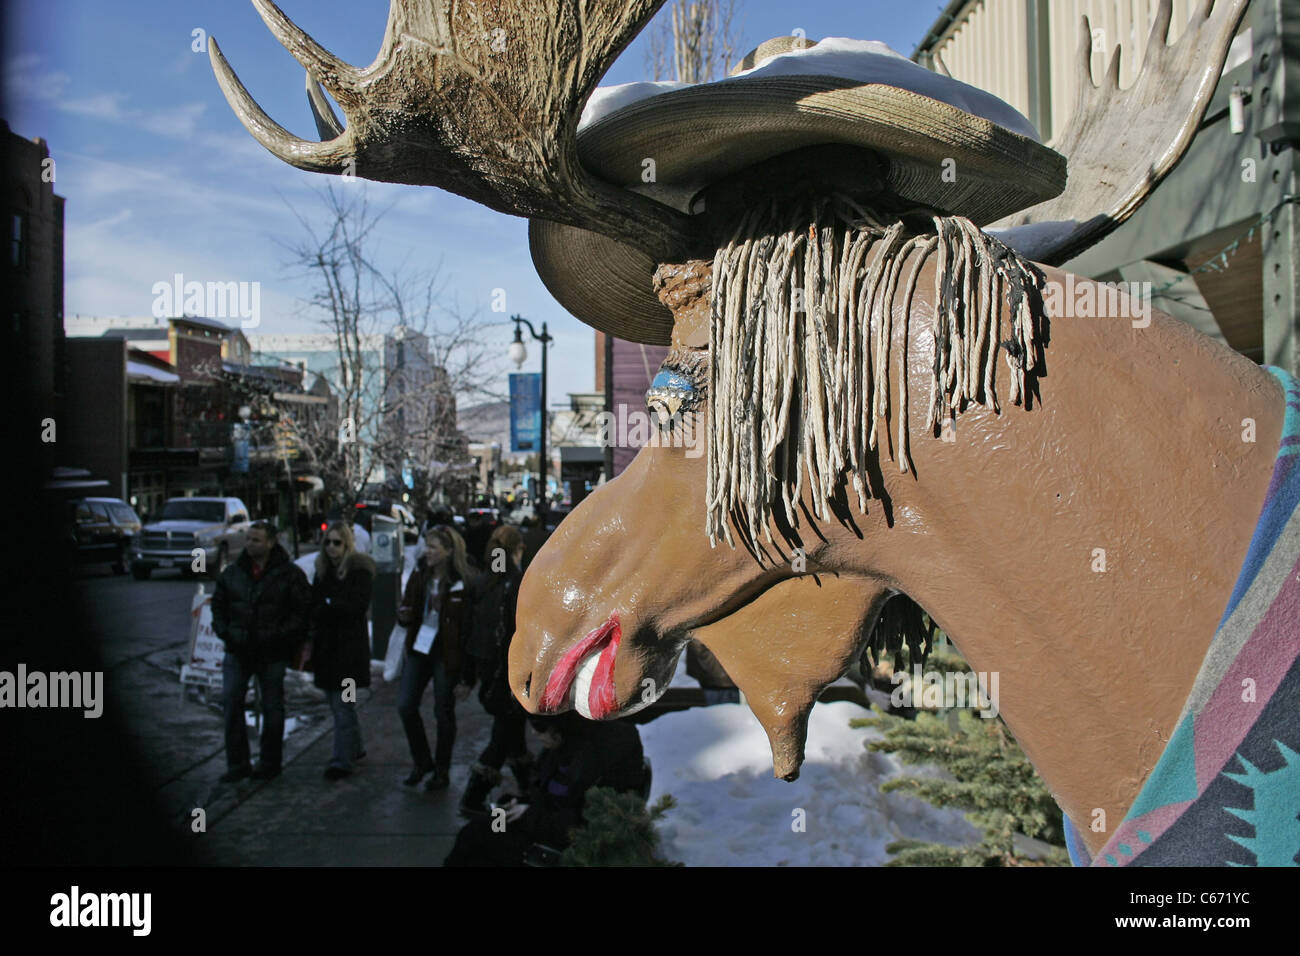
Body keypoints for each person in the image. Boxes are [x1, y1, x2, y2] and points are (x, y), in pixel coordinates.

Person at [443, 713, 645, 866]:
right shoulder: (563, 747)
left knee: (476, 839)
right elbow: (545, 793)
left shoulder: (604, 751)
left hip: (560, 843)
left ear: (561, 725)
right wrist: (520, 805)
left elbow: (584, 823)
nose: (533, 733)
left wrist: (529, 813)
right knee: (483, 825)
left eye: (539, 727)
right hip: (541, 823)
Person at [211, 520, 310, 782]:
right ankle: (237, 764)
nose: (250, 544)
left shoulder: (289, 574)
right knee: (232, 704)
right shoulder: (233, 572)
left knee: (272, 707)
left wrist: (278, 636)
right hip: (237, 650)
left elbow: (301, 613)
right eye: (248, 539)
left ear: (270, 542)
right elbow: (218, 606)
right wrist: (227, 632)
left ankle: (269, 763)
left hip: (271, 652)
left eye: (256, 540)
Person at [396, 524, 475, 790]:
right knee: (406, 705)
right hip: (419, 648)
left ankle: (441, 769)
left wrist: (467, 675)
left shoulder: (462, 582)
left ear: (448, 551)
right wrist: (404, 613)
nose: (427, 552)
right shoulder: (420, 575)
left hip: (446, 653)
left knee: (443, 712)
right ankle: (422, 762)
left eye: (433, 547)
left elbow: (468, 630)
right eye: (426, 546)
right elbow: (407, 605)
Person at [458, 524, 531, 816]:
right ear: (519, 550)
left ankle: (530, 787)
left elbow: (468, 632)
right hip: (507, 673)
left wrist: (467, 675)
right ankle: (473, 796)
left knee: (511, 734)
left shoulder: (481, 584)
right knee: (503, 736)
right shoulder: (518, 585)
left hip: (489, 671)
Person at [307, 521, 375, 780]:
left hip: (349, 652)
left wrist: (329, 605)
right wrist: (327, 606)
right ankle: (354, 748)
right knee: (338, 705)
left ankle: (341, 759)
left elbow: (356, 607)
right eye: (328, 542)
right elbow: (314, 605)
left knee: (343, 705)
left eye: (337, 542)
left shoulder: (359, 571)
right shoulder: (322, 572)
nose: (332, 548)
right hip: (326, 650)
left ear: (347, 544)